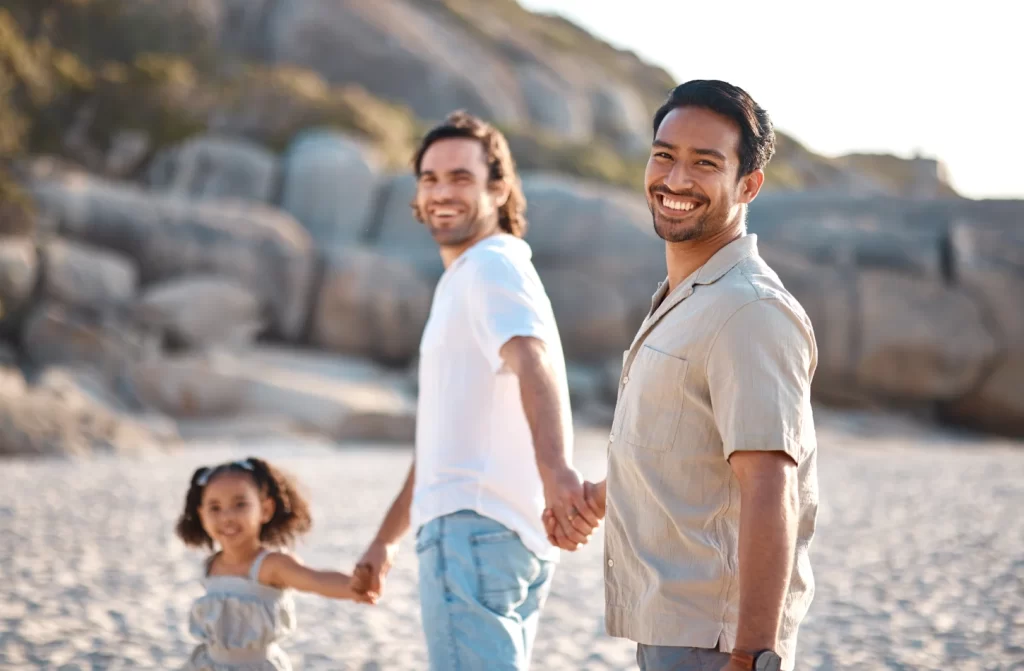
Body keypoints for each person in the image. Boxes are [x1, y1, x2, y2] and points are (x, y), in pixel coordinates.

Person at [544, 80, 819, 671]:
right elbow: (685, 445)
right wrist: (598, 497)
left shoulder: (748, 311)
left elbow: (772, 490)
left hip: (717, 642)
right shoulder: (686, 300)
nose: (674, 180)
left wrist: (752, 655)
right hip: (674, 629)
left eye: (705, 163)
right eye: (665, 155)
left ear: (748, 184)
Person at [350, 110, 598, 671]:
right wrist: (385, 540)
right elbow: (440, 443)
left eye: (460, 177)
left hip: (472, 534)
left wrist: (557, 471)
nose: (442, 192)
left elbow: (533, 362)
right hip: (501, 537)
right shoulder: (478, 274)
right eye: (430, 178)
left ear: (498, 188)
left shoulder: (488, 267)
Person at [175, 457, 376, 671]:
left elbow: (315, 580)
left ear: (266, 510)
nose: (227, 517)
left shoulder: (271, 565)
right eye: (215, 507)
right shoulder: (210, 565)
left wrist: (353, 585)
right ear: (201, 515)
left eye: (240, 504)